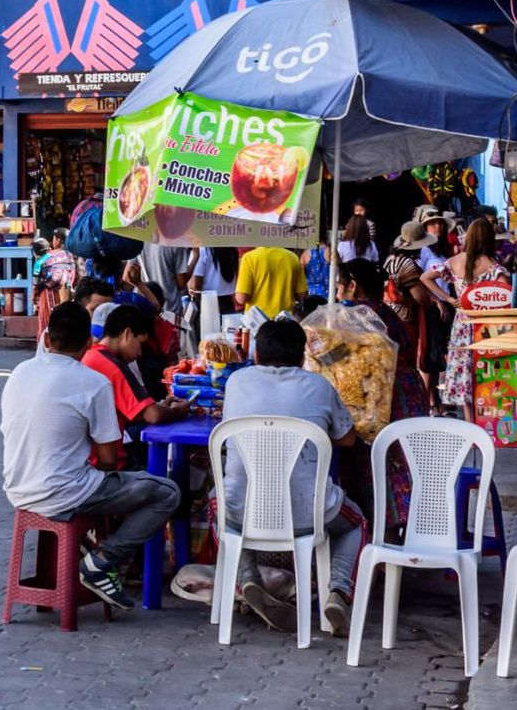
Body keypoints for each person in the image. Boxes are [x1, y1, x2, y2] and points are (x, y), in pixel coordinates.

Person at [0, 300, 183, 610]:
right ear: (88, 343)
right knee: (167, 492)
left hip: (17, 488)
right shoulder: (94, 382)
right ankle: (102, 559)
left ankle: (100, 561)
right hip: (68, 492)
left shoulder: (20, 372)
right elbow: (109, 460)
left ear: (46, 339)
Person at [218, 317, 366, 636]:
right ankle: (339, 592)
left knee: (219, 506)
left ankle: (248, 580)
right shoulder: (319, 386)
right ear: (302, 357)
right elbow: (348, 438)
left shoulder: (236, 382)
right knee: (357, 524)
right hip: (306, 514)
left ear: (256, 354)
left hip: (243, 511)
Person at [337, 255, 432, 528]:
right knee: (402, 467)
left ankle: (382, 548)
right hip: (407, 392)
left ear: (352, 286)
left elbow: (345, 362)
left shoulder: (358, 318)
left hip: (383, 401)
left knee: (381, 468)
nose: (338, 291)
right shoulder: (383, 310)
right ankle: (402, 539)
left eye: (340, 285)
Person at [429, 216, 509, 412]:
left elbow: (426, 277)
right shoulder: (495, 267)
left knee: (464, 375)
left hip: (463, 322)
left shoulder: (454, 261)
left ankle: (470, 425)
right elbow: (506, 294)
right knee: (488, 375)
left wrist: (448, 299)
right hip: (488, 327)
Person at [82, 305, 191, 443]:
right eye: (140, 344)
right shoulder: (113, 366)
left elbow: (130, 412)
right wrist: (178, 412)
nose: (139, 353)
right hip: (111, 455)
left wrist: (161, 405)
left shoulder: (91, 355)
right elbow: (154, 415)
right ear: (127, 334)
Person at [382, 218, 444, 397]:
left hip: (390, 313)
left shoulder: (391, 260)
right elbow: (419, 297)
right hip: (407, 318)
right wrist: (434, 301)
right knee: (409, 360)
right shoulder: (408, 264)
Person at [234, 243, 305, 318]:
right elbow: (302, 295)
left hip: (258, 321)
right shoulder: (292, 257)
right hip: (286, 319)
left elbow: (241, 298)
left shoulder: (249, 258)